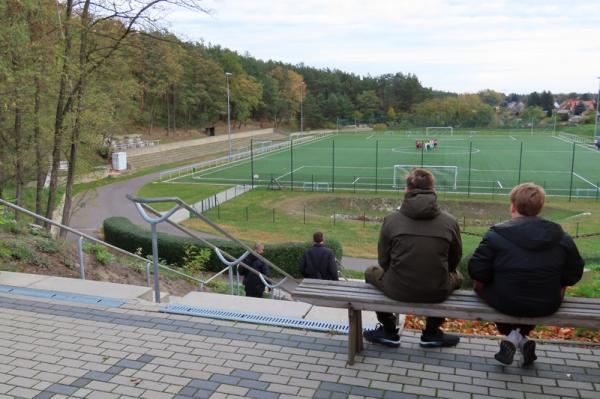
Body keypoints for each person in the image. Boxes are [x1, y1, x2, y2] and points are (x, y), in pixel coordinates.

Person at [468, 183, 584, 366]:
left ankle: (513, 337)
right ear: (540, 208)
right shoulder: (562, 237)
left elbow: (477, 272)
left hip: (505, 301)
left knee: (482, 287)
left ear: (513, 206)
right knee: (536, 294)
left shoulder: (496, 234)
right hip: (547, 303)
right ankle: (521, 339)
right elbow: (574, 273)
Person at [363, 168, 463, 348]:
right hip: (436, 290)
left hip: (397, 289)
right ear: (433, 190)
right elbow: (454, 261)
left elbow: (383, 261)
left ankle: (388, 329)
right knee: (458, 276)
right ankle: (431, 331)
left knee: (371, 272)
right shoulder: (450, 221)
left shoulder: (391, 219)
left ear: (407, 190)